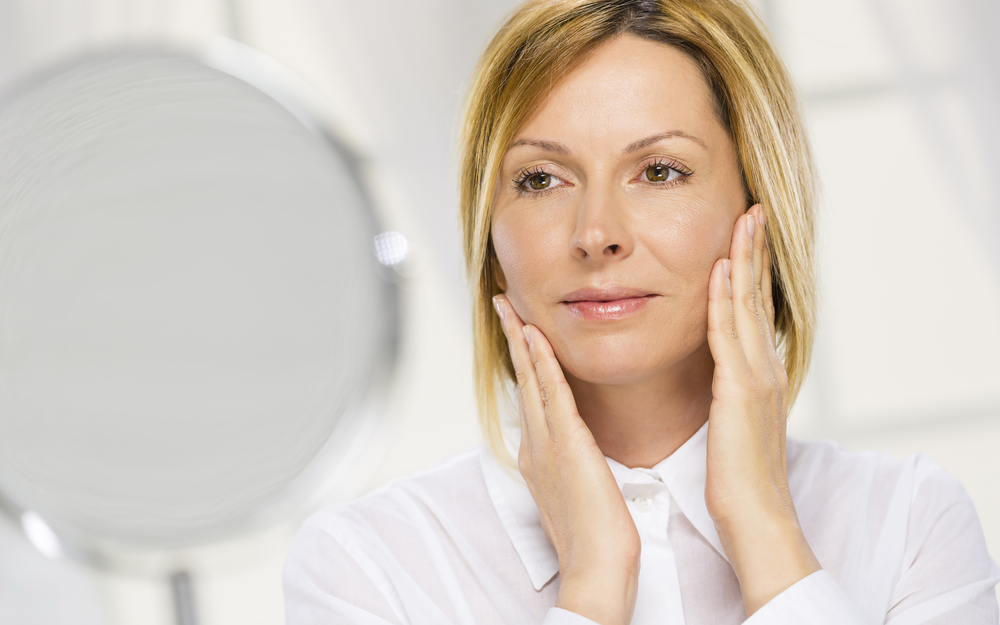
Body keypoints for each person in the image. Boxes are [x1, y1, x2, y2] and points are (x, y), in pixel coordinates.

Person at [283, 0, 1000, 623]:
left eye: (659, 171)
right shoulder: (368, 566)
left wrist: (764, 528)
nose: (596, 233)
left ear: (759, 208)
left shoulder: (910, 524)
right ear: (491, 238)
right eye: (541, 179)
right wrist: (594, 582)